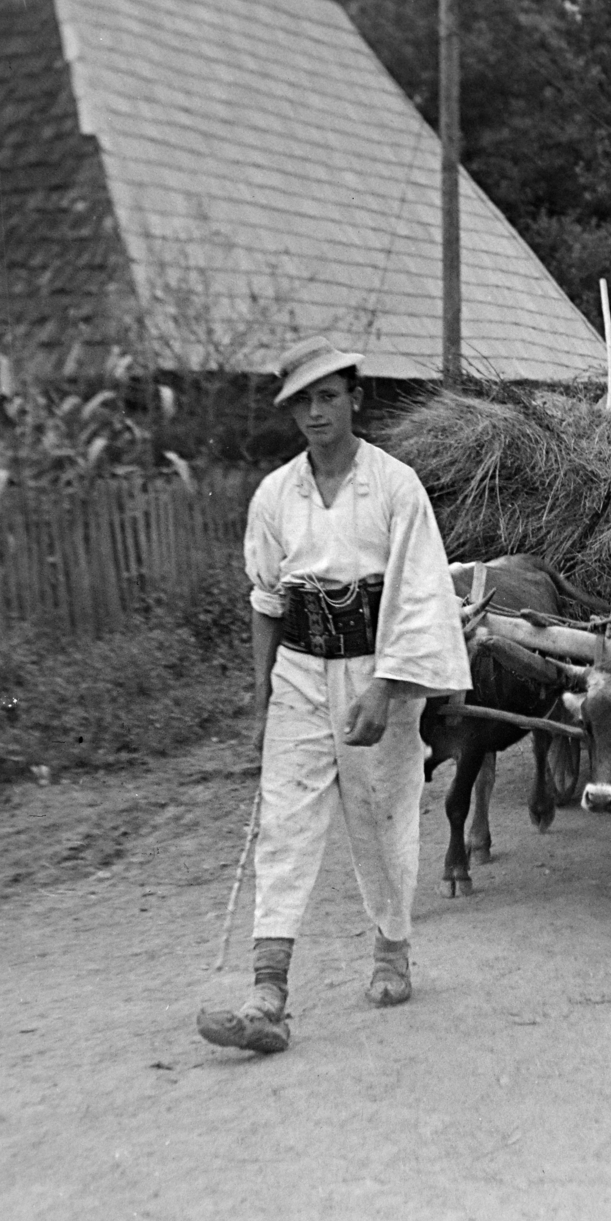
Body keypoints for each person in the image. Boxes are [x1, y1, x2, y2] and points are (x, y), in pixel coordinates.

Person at [198, 335, 472, 1055]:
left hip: (378, 668)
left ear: (356, 398)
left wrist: (384, 691)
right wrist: (261, 694)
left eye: (328, 396)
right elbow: (265, 598)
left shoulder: (392, 486)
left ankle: (391, 949)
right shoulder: (275, 494)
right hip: (297, 668)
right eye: (302, 402)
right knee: (285, 822)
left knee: (380, 817)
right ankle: (267, 993)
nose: (315, 413)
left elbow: (419, 598)